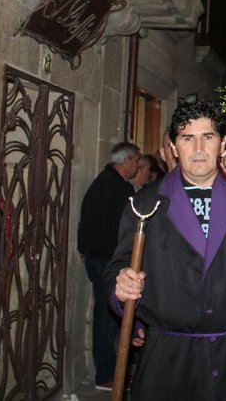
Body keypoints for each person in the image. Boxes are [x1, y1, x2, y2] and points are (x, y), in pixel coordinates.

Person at [106, 101, 226, 400]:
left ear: (222, 144)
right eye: (187, 138)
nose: (198, 148)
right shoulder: (146, 202)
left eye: (208, 137)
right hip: (170, 357)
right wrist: (120, 287)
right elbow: (119, 265)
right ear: (173, 147)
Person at [76, 141, 140, 390]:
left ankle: (112, 370)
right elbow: (113, 228)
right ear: (126, 161)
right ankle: (105, 374)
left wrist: (85, 248)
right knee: (107, 317)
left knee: (109, 316)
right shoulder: (111, 187)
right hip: (105, 259)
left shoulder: (109, 183)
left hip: (100, 257)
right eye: (136, 160)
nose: (137, 166)